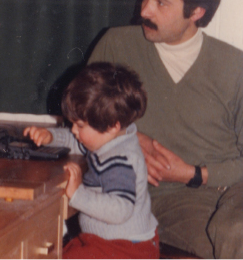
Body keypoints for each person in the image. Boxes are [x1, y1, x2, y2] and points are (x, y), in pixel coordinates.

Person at [87, 0, 243, 259]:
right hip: (171, 199)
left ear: (196, 11)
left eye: (161, 2)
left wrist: (195, 173)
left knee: (238, 230)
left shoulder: (236, 67)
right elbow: (79, 121)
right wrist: (129, 136)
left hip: (236, 190)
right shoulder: (117, 46)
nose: (144, 10)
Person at [24, 62, 159, 259]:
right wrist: (50, 137)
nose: (74, 130)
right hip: (109, 240)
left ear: (112, 125)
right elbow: (76, 141)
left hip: (128, 248)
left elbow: (120, 210)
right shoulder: (107, 139)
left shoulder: (120, 159)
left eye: (79, 125)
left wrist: (78, 194)